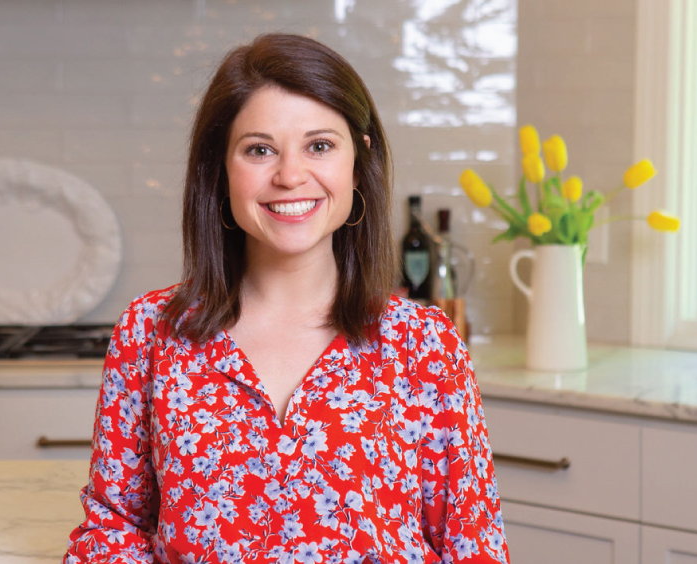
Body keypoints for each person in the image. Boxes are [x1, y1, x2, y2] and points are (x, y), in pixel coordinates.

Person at [64, 33, 509, 564]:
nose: (290, 175)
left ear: (356, 162)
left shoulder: (425, 345)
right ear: (221, 167)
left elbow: (474, 548)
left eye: (319, 145)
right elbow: (112, 530)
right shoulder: (150, 332)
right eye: (259, 150)